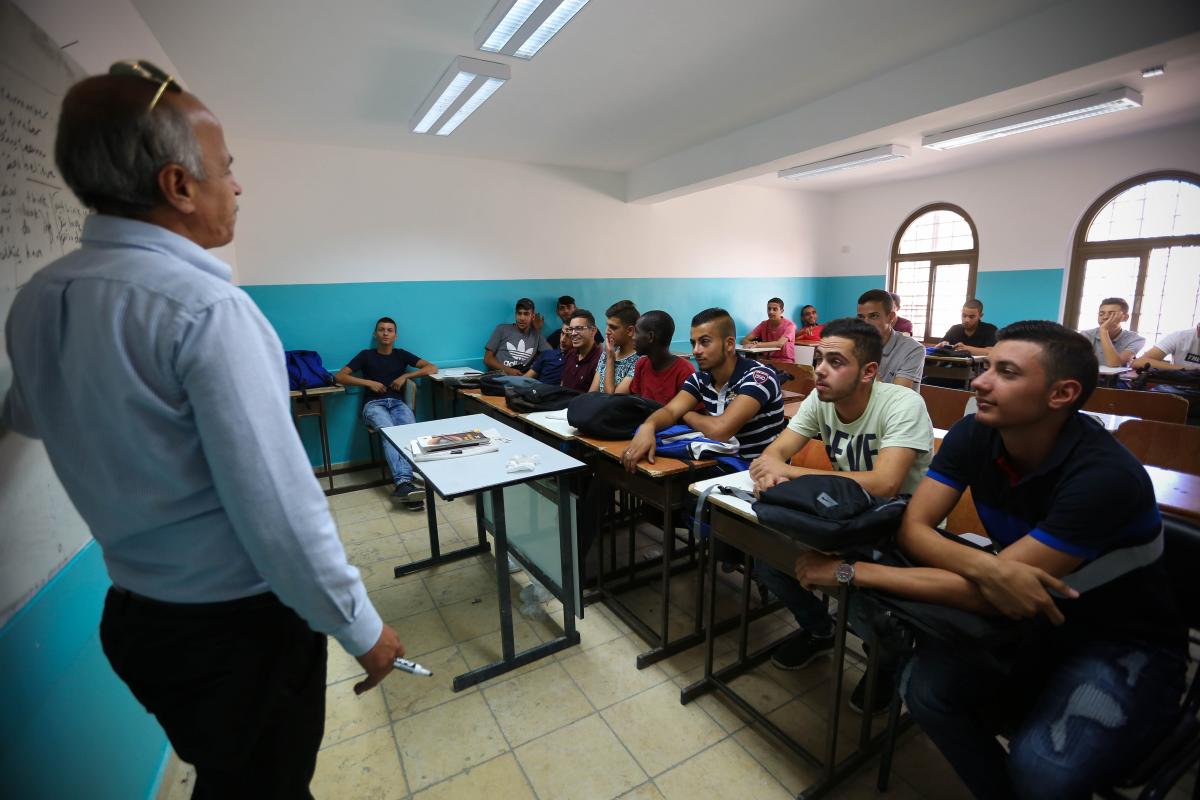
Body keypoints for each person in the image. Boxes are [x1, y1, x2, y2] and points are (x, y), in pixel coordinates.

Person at [1, 62, 404, 797]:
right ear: (178, 186)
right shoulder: (206, 311)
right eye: (226, 168)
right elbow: (280, 512)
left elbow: (26, 412)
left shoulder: (38, 300)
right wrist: (363, 628)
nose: (238, 187)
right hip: (238, 633)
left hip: (137, 621)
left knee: (231, 778)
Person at [793, 321, 1186, 800]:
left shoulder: (1103, 477)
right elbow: (915, 531)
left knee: (1043, 770)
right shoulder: (974, 434)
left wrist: (850, 572)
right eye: (985, 366)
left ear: (1062, 393)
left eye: (1005, 372)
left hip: (1120, 640)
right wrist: (993, 568)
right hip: (1029, 621)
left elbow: (989, 601)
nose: (979, 381)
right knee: (922, 687)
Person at [749, 318, 933, 711]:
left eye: (835, 361)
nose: (819, 369)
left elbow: (885, 483)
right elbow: (773, 453)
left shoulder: (903, 404)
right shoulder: (820, 399)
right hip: (846, 513)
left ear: (869, 372)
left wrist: (789, 471)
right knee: (768, 558)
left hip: (902, 526)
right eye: (818, 358)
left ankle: (887, 658)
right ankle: (819, 630)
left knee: (858, 595)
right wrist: (769, 467)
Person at [622, 308, 785, 472]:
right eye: (694, 343)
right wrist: (648, 426)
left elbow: (720, 430)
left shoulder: (758, 377)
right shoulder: (700, 379)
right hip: (721, 468)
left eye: (704, 342)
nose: (696, 351)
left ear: (729, 344)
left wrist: (685, 413)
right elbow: (670, 411)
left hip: (761, 476)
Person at [334, 317, 436, 509]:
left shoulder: (401, 354)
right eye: (381, 330)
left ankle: (405, 486)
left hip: (397, 403)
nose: (385, 333)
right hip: (373, 405)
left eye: (390, 330)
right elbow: (339, 376)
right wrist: (368, 383)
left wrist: (406, 375)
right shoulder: (365, 355)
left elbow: (432, 367)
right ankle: (404, 483)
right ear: (375, 334)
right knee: (389, 433)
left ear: (395, 335)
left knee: (409, 433)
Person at [619, 310, 696, 405]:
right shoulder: (641, 364)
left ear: (650, 336)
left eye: (637, 332)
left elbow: (686, 412)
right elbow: (637, 400)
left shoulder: (685, 371)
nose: (633, 337)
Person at [858, 289, 925, 389]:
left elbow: (896, 397)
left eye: (874, 316)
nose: (866, 323)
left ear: (890, 317)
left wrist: (865, 359)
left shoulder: (913, 349)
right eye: (861, 317)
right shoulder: (853, 344)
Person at [484, 298, 550, 374]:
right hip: (501, 377)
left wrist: (537, 330)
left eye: (526, 314)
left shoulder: (536, 334)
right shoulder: (502, 329)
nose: (522, 318)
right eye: (519, 313)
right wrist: (509, 371)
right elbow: (487, 359)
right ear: (515, 314)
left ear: (533, 317)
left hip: (523, 379)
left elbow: (551, 356)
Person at [591, 300, 640, 393]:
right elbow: (592, 392)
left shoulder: (639, 361)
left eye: (613, 327)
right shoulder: (609, 350)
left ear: (630, 331)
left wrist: (610, 359)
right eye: (607, 326)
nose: (607, 331)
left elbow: (612, 400)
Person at [1080, 297, 1145, 367]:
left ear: (1125, 317)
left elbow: (1115, 364)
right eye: (1101, 314)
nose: (1105, 317)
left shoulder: (1136, 339)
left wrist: (1104, 331)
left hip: (1117, 377)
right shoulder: (1085, 335)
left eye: (1112, 314)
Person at [742, 297, 796, 362]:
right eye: (769, 309)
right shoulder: (763, 324)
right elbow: (744, 340)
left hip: (785, 361)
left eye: (775, 309)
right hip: (766, 360)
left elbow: (779, 344)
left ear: (782, 311)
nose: (771, 312)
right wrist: (751, 343)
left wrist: (757, 345)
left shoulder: (790, 325)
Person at [560, 309, 602, 392]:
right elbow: (562, 384)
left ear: (593, 331)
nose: (573, 333)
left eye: (579, 328)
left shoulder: (600, 361)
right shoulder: (570, 354)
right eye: (571, 329)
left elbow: (592, 399)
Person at [1132, 321, 1200, 371]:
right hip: (1179, 385)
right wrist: (1188, 369)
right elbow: (1139, 362)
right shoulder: (1180, 337)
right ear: (1198, 328)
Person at [525, 320, 572, 385]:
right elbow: (526, 378)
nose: (563, 339)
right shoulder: (547, 354)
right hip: (536, 391)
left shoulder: (576, 360)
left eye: (568, 336)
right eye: (562, 333)